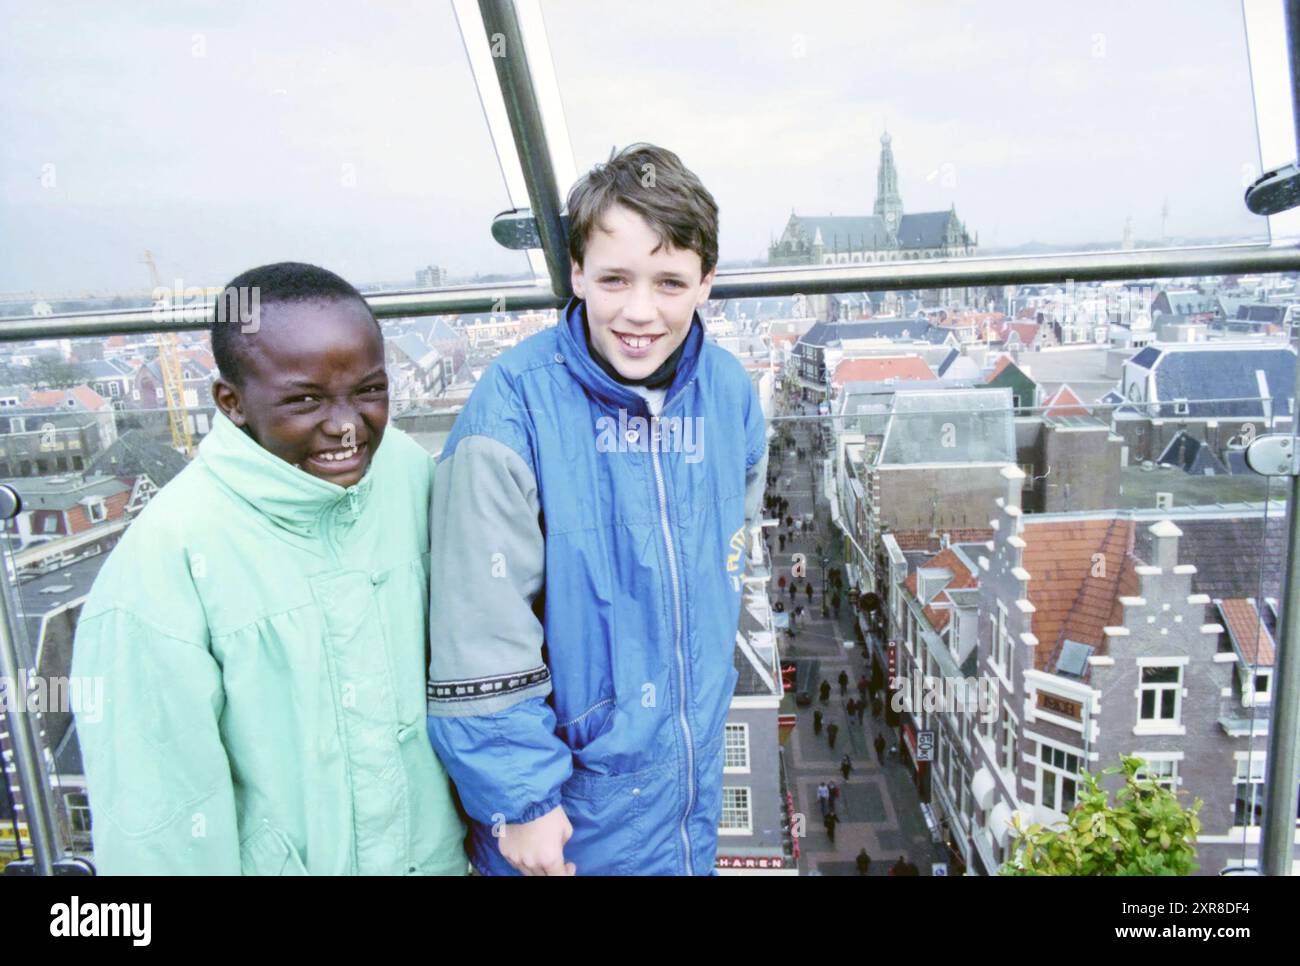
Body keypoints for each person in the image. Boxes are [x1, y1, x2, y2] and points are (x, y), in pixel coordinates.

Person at [425, 144, 767, 876]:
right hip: (567, 824)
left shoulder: (731, 393)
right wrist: (519, 798)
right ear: (577, 273)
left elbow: (727, 560)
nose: (639, 311)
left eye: (670, 281)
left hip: (685, 806)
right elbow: (477, 628)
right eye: (614, 279)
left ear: (706, 282)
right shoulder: (511, 406)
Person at [72, 263, 466, 874]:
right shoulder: (164, 564)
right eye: (304, 399)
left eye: (369, 390)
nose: (345, 426)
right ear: (231, 402)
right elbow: (161, 825)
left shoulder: (409, 475)